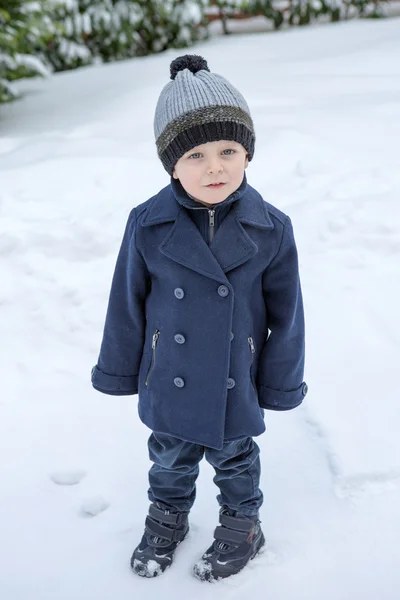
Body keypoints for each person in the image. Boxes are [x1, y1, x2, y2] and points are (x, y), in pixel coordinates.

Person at [91, 54, 308, 582]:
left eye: (228, 150)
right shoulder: (147, 225)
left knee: (235, 459)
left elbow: (289, 314)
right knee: (169, 457)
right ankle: (167, 516)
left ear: (247, 154)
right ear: (171, 164)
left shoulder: (270, 228)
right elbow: (126, 302)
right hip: (171, 374)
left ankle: (243, 523)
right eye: (196, 154)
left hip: (237, 375)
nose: (215, 167)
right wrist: (121, 370)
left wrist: (279, 383)